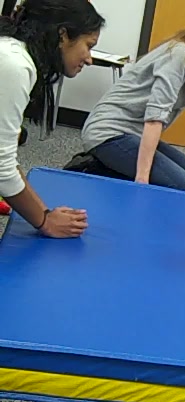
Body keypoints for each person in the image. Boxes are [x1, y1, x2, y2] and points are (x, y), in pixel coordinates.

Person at [77, 7, 185, 195]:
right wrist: (142, 179)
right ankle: (94, 168)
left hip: (135, 134)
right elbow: (155, 117)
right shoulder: (180, 54)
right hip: (108, 132)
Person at [0, 0, 105, 237]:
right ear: (63, 35)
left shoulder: (12, 53)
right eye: (88, 45)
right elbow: (1, 168)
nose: (89, 59)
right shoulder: (14, 65)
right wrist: (45, 221)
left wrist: (44, 211)